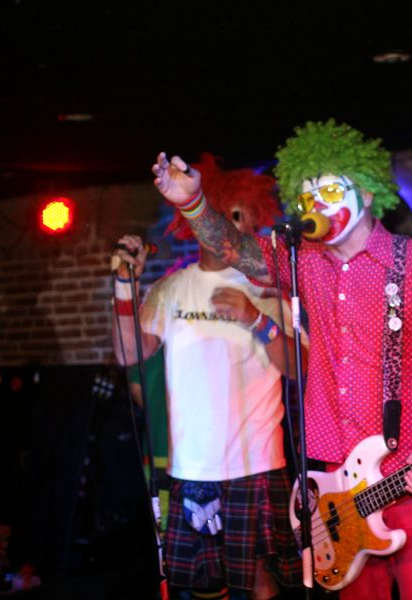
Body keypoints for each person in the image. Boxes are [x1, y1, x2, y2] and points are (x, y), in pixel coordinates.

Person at [150, 120, 412, 600]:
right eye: (306, 198)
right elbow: (236, 249)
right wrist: (191, 202)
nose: (316, 207)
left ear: (367, 193)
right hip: (339, 490)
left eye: (328, 192)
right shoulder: (301, 260)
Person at [112, 153, 304, 600]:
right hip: (191, 463)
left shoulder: (269, 292)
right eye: (218, 214)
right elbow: (129, 354)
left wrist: (258, 320)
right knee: (202, 580)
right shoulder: (171, 288)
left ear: (254, 224)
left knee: (258, 575)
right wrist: (124, 287)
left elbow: (300, 369)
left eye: (238, 216)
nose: (226, 226)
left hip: (255, 462)